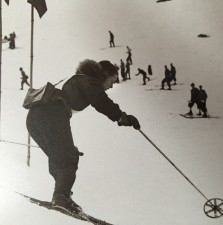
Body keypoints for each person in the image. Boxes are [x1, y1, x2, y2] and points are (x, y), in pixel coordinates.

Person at [26, 59, 140, 213]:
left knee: (62, 157)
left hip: (34, 118)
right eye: (112, 81)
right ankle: (60, 197)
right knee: (67, 158)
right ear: (104, 75)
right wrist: (122, 117)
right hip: (51, 115)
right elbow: (100, 101)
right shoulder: (89, 80)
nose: (112, 86)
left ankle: (62, 195)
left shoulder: (78, 78)